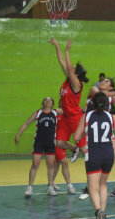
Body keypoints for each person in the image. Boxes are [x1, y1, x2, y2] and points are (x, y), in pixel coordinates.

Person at [74, 92, 115, 219]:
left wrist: (84, 135)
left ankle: (98, 211)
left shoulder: (86, 116)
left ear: (92, 103)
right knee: (103, 184)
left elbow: (76, 137)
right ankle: (103, 215)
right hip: (108, 154)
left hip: (93, 154)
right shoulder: (111, 117)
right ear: (106, 104)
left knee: (93, 187)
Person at [49, 38, 89, 193]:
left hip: (76, 118)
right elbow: (61, 62)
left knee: (86, 150)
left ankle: (94, 176)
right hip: (66, 117)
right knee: (58, 142)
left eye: (72, 68)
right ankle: (74, 149)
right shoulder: (67, 81)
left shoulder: (77, 84)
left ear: (76, 74)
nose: (69, 68)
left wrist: (67, 51)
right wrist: (57, 46)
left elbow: (67, 65)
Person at [15, 97, 63, 196]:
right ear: (43, 103)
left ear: (52, 104)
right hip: (39, 143)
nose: (47, 101)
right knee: (35, 165)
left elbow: (71, 110)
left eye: (50, 100)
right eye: (45, 100)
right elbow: (26, 123)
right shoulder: (37, 113)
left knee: (50, 165)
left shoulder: (55, 112)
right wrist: (18, 134)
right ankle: (29, 187)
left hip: (50, 143)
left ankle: (50, 187)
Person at [52, 99, 75, 194]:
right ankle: (69, 186)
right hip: (56, 142)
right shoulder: (56, 114)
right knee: (64, 162)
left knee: (57, 164)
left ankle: (51, 183)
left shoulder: (70, 116)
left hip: (64, 143)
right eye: (62, 101)